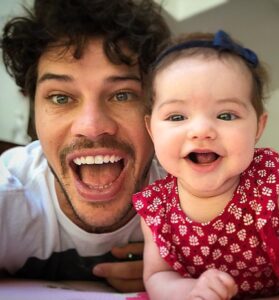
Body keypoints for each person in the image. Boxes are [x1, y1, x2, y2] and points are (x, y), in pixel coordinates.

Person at [132, 30, 279, 299]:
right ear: (151, 129)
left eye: (226, 115)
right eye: (177, 116)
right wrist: (193, 290)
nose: (201, 130)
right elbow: (158, 275)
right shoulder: (157, 208)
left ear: (258, 127)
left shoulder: (267, 187)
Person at [0, 0, 170, 292]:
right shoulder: (9, 196)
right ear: (35, 112)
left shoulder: (194, 198)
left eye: (122, 95)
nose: (91, 127)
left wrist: (181, 270)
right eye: (61, 98)